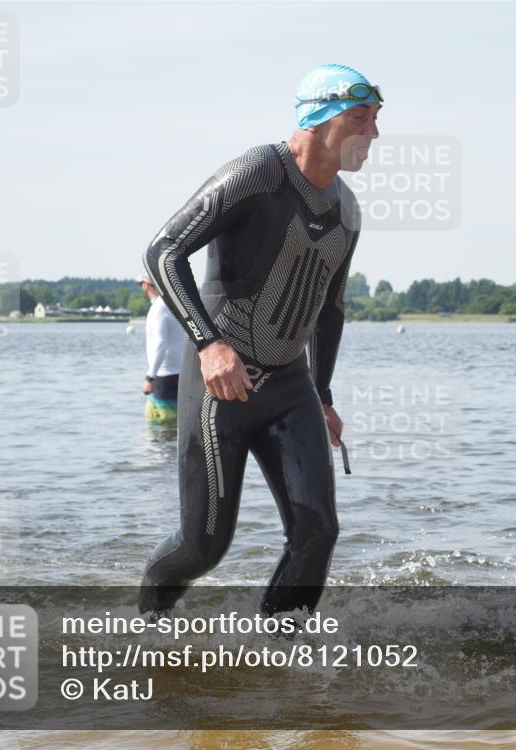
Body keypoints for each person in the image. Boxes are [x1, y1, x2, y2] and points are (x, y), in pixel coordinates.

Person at [138, 63, 380, 618]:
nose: (373, 133)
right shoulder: (258, 173)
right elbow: (162, 252)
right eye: (360, 118)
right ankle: (145, 625)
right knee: (204, 546)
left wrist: (323, 394)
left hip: (290, 388)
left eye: (375, 119)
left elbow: (330, 309)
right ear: (318, 120)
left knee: (318, 532)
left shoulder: (347, 210)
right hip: (221, 385)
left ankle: (277, 648)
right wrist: (209, 344)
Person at [138, 271, 188, 423]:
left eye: (140, 284)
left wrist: (150, 377)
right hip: (181, 372)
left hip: (164, 375)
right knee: (177, 421)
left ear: (146, 285)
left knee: (160, 424)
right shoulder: (174, 304)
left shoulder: (158, 308)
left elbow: (160, 343)